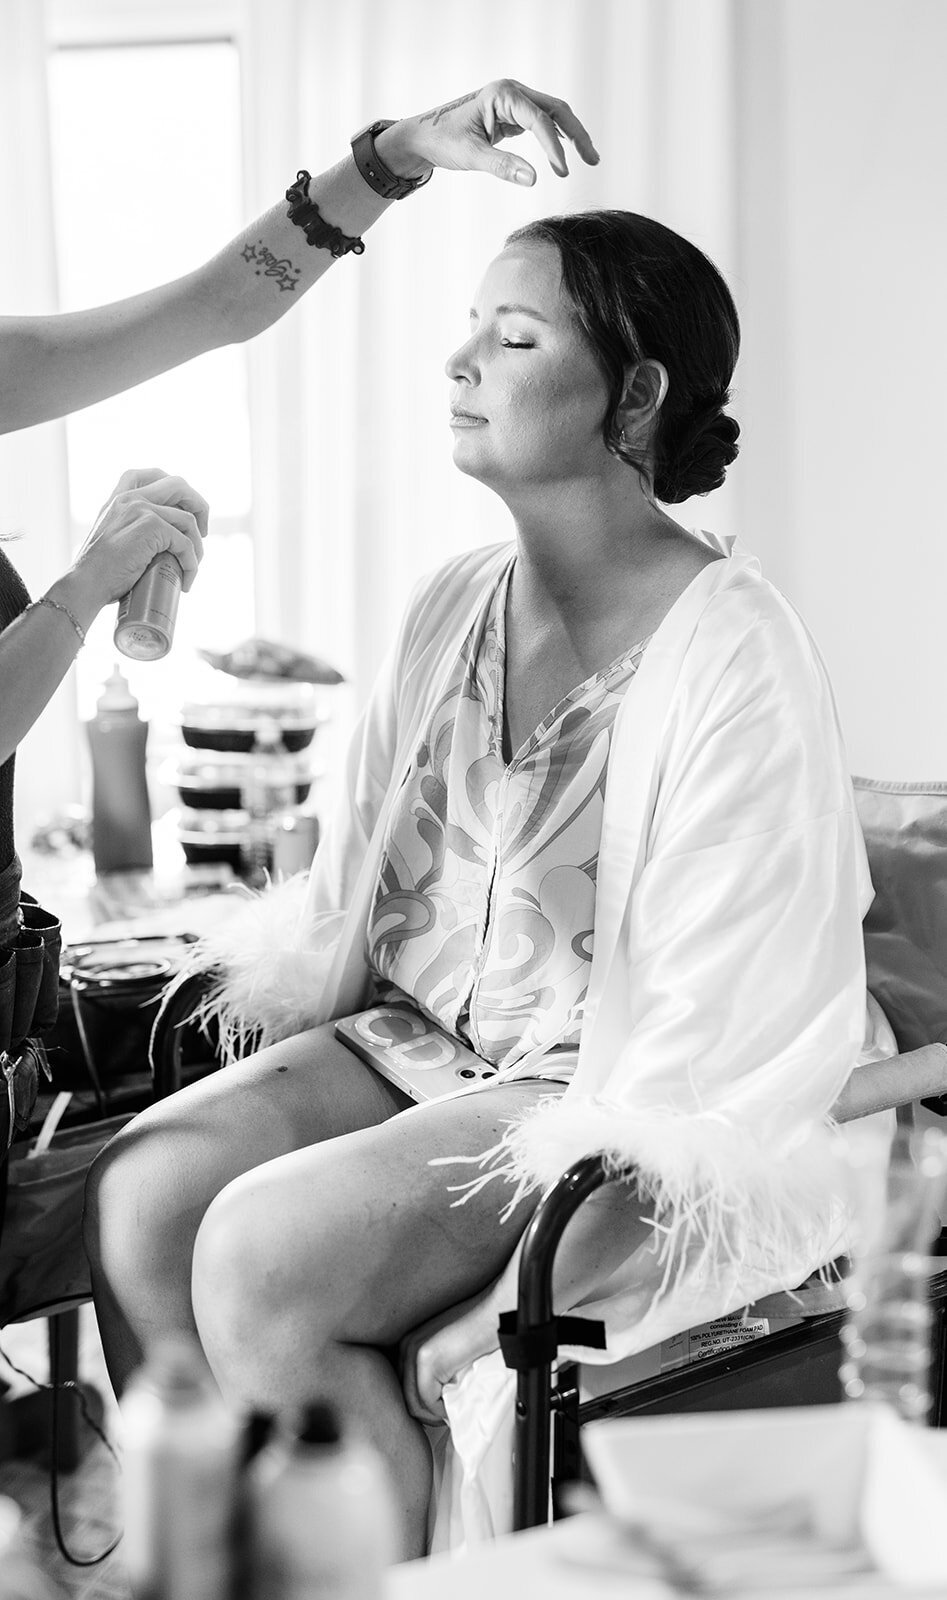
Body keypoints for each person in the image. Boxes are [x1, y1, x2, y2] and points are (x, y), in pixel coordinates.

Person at [84, 206, 908, 1557]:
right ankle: (241, 1561)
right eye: (469, 330)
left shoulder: (734, 657)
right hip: (423, 1038)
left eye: (512, 337)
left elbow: (723, 1040)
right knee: (144, 1190)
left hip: (592, 1083)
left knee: (260, 1254)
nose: (461, 362)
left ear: (635, 392)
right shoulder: (450, 602)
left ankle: (387, 1577)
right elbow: (358, 895)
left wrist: (495, 1308)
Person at [0, 13, 596, 1502]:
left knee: (214, 1065)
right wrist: (87, 582)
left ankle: (204, 1544)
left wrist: (399, 153)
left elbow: (218, 303)